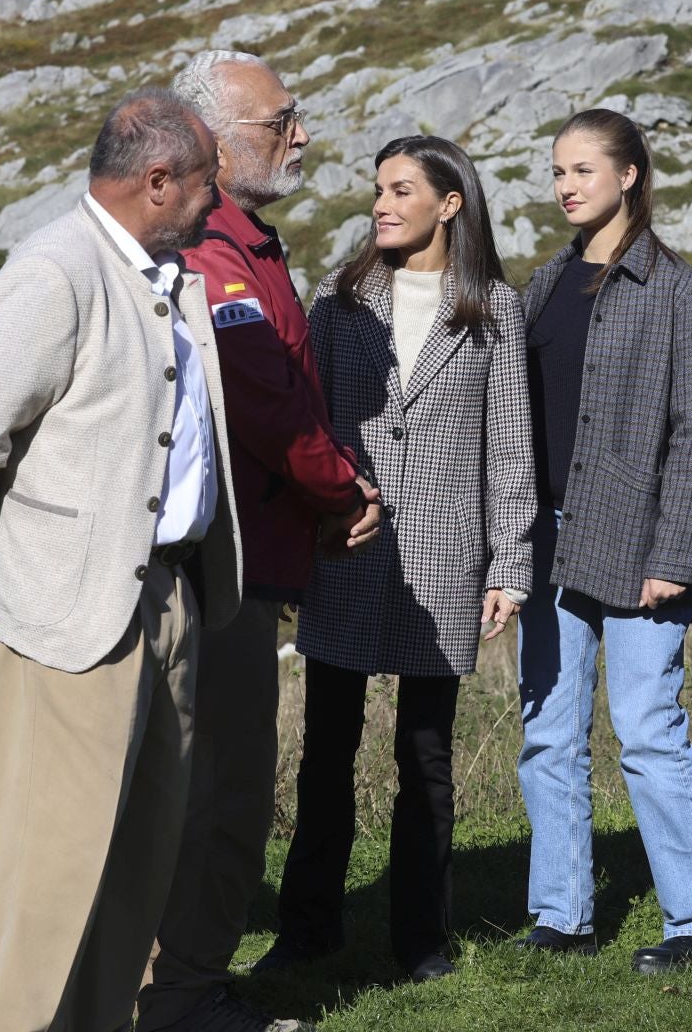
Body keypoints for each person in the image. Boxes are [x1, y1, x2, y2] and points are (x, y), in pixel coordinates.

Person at [0, 88, 242, 1031]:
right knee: (51, 877)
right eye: (206, 184)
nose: (215, 202)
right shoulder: (58, 271)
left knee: (135, 867)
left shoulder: (164, 272)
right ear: (157, 182)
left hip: (170, 599)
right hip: (74, 614)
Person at [251, 136, 536, 982]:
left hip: (448, 558)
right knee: (325, 751)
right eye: (378, 188)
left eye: (401, 189)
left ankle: (422, 941)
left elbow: (510, 444)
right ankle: (306, 930)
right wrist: (314, 526)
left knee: (427, 756)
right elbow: (311, 423)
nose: (380, 202)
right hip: (347, 549)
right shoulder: (339, 302)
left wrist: (510, 562)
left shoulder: (492, 306)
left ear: (449, 204)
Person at [145, 50, 380, 1032]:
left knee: (208, 781)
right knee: (225, 787)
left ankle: (178, 980)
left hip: (240, 554)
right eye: (279, 120)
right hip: (226, 561)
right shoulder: (216, 249)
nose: (301, 136)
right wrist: (339, 487)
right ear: (214, 136)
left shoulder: (241, 243)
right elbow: (264, 400)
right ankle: (184, 995)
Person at [514, 107, 692, 972]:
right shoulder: (543, 284)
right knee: (548, 730)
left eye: (583, 170)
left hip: (641, 540)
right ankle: (561, 915)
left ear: (629, 176)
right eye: (559, 171)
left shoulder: (677, 290)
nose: (567, 186)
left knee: (646, 727)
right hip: (549, 538)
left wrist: (672, 557)